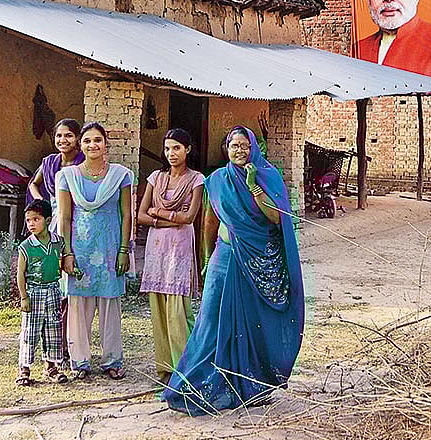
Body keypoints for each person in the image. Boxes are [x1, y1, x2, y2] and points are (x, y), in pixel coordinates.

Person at [162, 126, 304, 415]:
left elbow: (277, 218)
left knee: (251, 322)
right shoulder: (217, 180)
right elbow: (210, 222)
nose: (239, 151)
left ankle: (250, 385)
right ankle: (194, 383)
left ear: (253, 148)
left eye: (244, 145)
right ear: (226, 149)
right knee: (210, 319)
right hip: (224, 255)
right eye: (233, 146)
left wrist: (253, 186)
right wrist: (206, 257)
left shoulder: (268, 176)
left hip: (257, 260)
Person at [57, 122, 133, 380]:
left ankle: (112, 360)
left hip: (110, 247)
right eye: (87, 141)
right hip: (80, 248)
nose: (93, 145)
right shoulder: (67, 176)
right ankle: (80, 361)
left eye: (97, 140)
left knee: (110, 302)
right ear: (81, 145)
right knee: (78, 303)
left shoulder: (121, 175)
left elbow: (126, 214)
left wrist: (124, 250)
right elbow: (65, 217)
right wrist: (67, 253)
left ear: (106, 144)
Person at [136, 128, 205, 384]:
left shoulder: (196, 179)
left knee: (178, 311)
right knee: (158, 309)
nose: (171, 153)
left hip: (180, 247)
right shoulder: (156, 177)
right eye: (167, 148)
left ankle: (186, 369)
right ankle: (165, 370)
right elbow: (141, 215)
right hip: (157, 247)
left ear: (188, 149)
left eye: (176, 148)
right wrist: (168, 219)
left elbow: (189, 217)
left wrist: (158, 212)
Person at [26, 118, 84, 362]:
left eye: (68, 135)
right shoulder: (50, 162)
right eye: (59, 135)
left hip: (77, 223)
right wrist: (42, 202)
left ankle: (70, 342)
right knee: (54, 281)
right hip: (53, 223)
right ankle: (53, 343)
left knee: (71, 285)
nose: (63, 140)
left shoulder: (83, 162)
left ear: (77, 139)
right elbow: (34, 184)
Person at [16, 199, 68, 386]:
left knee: (53, 329)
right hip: (34, 292)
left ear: (48, 220)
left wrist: (74, 270)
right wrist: (24, 297)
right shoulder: (26, 247)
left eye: (36, 219)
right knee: (30, 331)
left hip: (53, 290)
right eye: (28, 220)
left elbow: (64, 263)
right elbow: (20, 274)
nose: (31, 224)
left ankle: (51, 367)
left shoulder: (58, 242)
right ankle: (24, 369)